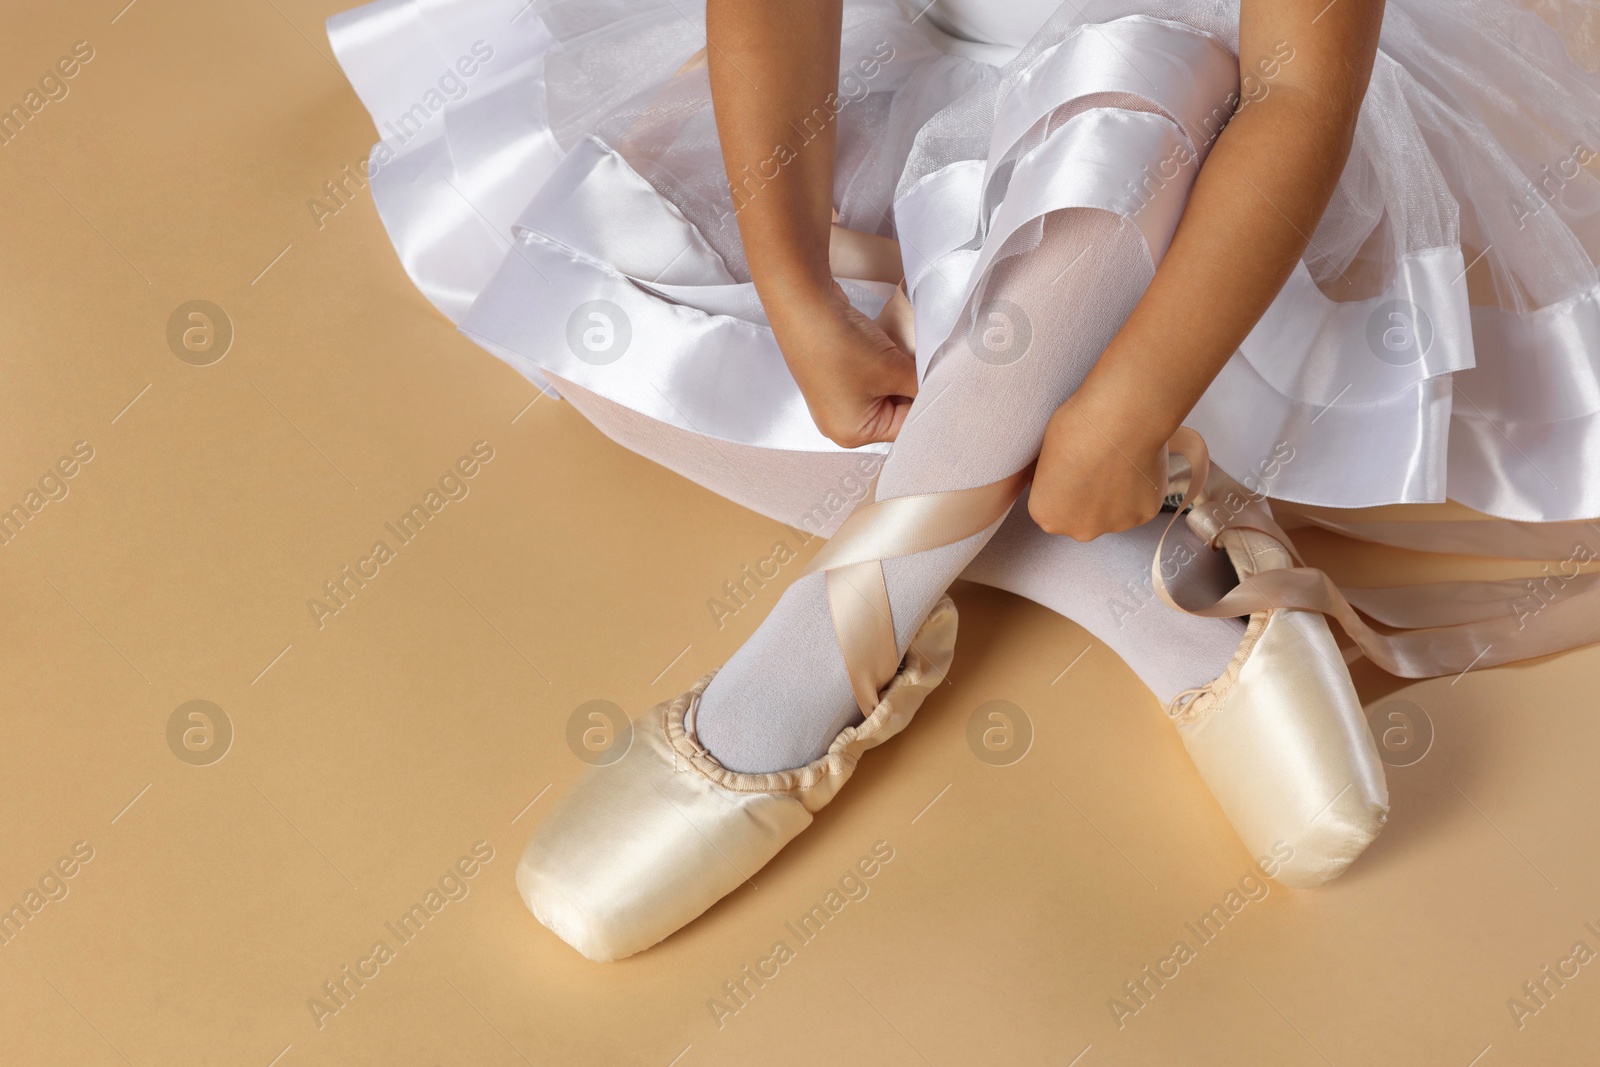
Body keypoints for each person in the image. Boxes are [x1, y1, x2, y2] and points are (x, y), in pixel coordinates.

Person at [328, 0, 1600, 961]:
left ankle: (797, 679)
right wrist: (795, 291)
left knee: (1138, 84)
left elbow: (1293, 90)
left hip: (1195, 162)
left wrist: (1132, 403)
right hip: (926, 60)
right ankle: (1152, 590)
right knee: (567, 275)